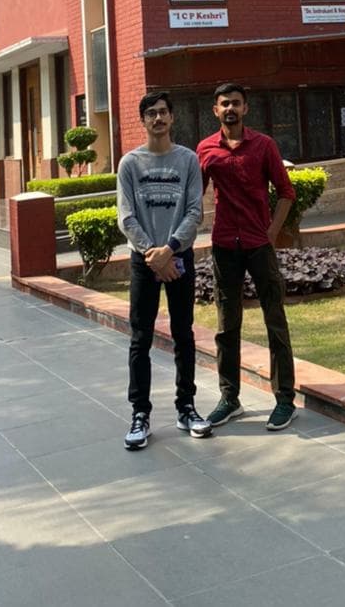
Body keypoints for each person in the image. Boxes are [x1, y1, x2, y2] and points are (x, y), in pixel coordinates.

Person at [197, 83, 297, 431]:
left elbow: (286, 192)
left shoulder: (264, 145)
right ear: (216, 110)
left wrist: (271, 233)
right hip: (225, 245)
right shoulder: (206, 149)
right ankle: (229, 399)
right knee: (227, 326)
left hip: (258, 245)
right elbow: (195, 195)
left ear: (245, 108)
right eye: (224, 104)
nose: (230, 109)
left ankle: (285, 400)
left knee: (275, 321)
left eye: (236, 103)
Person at [117, 90, 211, 450]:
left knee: (183, 333)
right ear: (143, 120)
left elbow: (194, 211)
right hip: (144, 262)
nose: (157, 118)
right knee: (140, 338)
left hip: (179, 258)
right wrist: (152, 255)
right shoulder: (130, 164)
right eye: (151, 113)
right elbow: (126, 216)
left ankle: (186, 407)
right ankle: (140, 414)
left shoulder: (188, 160)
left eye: (163, 112)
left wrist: (169, 250)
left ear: (172, 117)